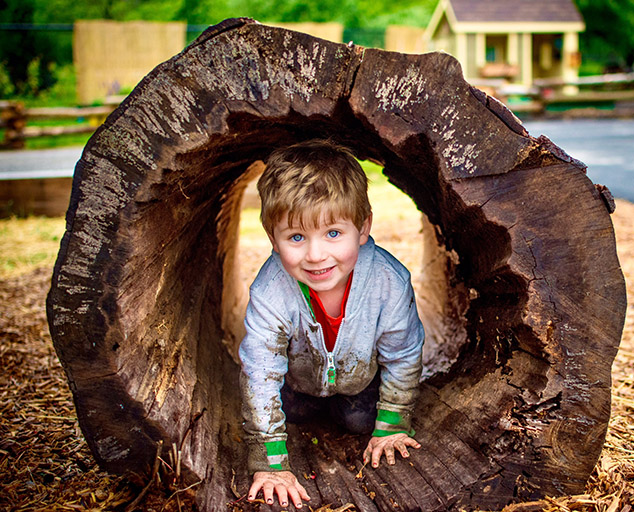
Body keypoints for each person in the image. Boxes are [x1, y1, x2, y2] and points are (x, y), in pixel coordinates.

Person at [239, 139, 425, 509]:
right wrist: (270, 463)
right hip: (299, 384)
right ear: (272, 240)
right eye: (296, 237)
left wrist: (392, 425)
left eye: (333, 234)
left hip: (359, 384)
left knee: (360, 421)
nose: (315, 255)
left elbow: (403, 354)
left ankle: (353, 412)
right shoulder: (271, 289)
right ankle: (309, 409)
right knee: (292, 415)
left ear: (363, 227)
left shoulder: (388, 281)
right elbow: (260, 372)